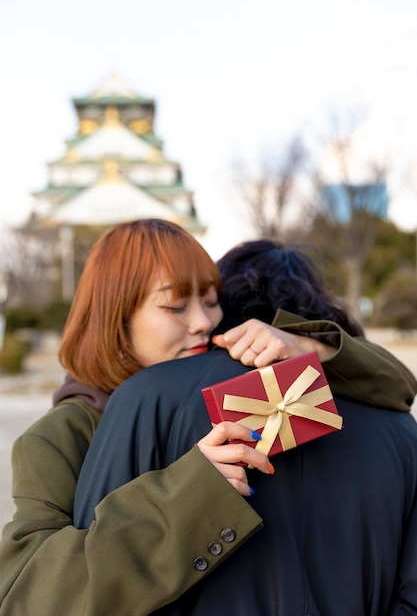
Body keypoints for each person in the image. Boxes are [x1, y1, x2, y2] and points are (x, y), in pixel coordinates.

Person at [0, 227, 415, 616]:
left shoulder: (203, 391)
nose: (204, 323)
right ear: (115, 317)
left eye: (214, 301)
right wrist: (191, 493)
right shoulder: (66, 431)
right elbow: (25, 594)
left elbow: (396, 387)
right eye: (174, 306)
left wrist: (309, 344)